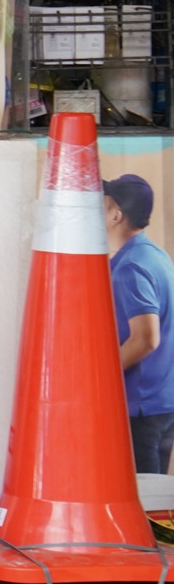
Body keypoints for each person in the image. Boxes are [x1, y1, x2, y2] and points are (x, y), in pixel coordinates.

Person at [106, 174, 174, 475]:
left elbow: (145, 338)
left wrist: (100, 376)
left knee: (143, 501)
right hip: (162, 400)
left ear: (116, 215)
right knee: (156, 498)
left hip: (141, 406)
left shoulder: (130, 268)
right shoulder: (155, 255)